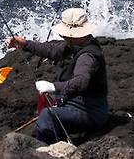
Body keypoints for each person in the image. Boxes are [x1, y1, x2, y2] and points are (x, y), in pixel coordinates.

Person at [7, 8, 109, 144]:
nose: (63, 36)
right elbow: (51, 50)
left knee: (48, 115)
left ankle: (46, 147)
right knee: (45, 99)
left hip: (91, 112)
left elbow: (81, 81)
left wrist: (53, 86)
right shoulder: (78, 44)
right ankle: (49, 135)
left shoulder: (87, 56)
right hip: (74, 102)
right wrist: (24, 43)